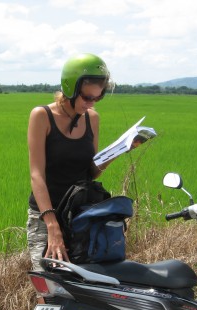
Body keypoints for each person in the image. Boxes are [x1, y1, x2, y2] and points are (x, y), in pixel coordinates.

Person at [27, 53, 140, 272]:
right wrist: (52, 226)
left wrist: (120, 150)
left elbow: (91, 172)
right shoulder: (42, 116)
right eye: (87, 97)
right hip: (47, 215)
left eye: (97, 99)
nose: (91, 104)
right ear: (70, 87)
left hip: (83, 215)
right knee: (49, 287)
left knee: (85, 287)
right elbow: (36, 175)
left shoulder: (92, 118)